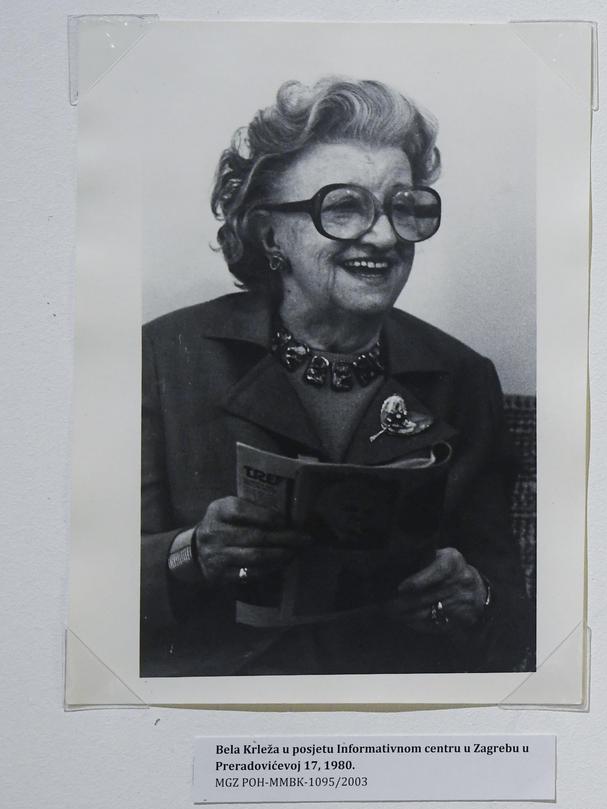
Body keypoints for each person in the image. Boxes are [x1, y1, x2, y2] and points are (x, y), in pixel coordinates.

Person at [140, 78, 533, 676]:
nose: (384, 236)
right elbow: (82, 592)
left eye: (404, 207)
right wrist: (188, 555)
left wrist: (472, 599)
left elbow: (511, 633)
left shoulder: (463, 377)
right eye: (344, 207)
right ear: (269, 233)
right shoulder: (163, 357)